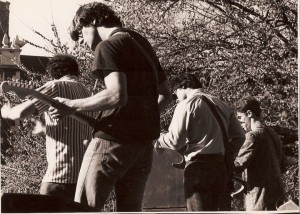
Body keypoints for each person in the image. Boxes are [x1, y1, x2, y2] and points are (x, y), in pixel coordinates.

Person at [48, 2, 171, 211]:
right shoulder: (140, 42)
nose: (82, 44)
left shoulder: (108, 45)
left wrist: (71, 104)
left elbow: (116, 95)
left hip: (110, 144)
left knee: (83, 208)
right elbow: (166, 93)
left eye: (81, 34)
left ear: (92, 22)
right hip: (142, 146)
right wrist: (139, 121)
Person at [1, 54, 94, 200]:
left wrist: (6, 112)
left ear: (53, 73)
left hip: (59, 176)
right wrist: (44, 129)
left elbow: (19, 113)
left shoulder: (55, 86)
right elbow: (75, 128)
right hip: (83, 177)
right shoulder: (87, 92)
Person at [154, 73, 245, 211]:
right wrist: (226, 151)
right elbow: (240, 136)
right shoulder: (222, 104)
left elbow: (175, 141)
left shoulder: (186, 105)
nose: (176, 99)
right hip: (220, 168)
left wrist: (159, 140)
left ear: (183, 86)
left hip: (198, 169)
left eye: (175, 94)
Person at [234, 96, 286, 211]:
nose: (239, 122)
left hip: (259, 201)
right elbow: (283, 166)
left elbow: (237, 166)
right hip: (278, 198)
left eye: (240, 117)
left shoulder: (253, 136)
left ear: (249, 113)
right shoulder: (273, 134)